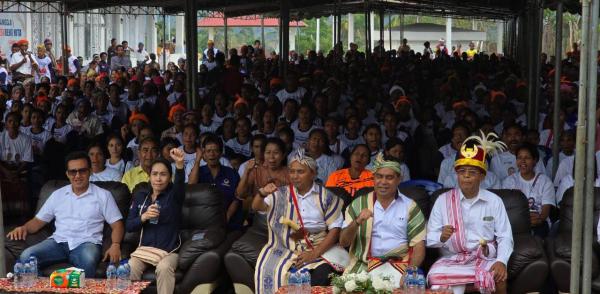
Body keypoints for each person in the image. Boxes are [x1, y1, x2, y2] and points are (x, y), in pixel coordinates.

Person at [7, 151, 124, 277]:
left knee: (88, 260)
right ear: (67, 174)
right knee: (26, 256)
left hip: (87, 243)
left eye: (82, 171)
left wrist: (115, 245)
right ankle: (44, 290)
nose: (77, 175)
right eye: (73, 172)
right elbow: (38, 221)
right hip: (58, 242)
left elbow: (117, 225)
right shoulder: (58, 194)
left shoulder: (103, 195)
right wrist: (24, 228)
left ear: (90, 171)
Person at [427, 132, 512, 294]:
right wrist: (441, 236)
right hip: (452, 260)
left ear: (482, 176)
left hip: (484, 259)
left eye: (472, 172)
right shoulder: (443, 200)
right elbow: (429, 239)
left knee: (499, 276)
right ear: (456, 174)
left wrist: (502, 261)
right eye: (462, 172)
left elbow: (505, 236)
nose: (466, 177)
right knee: (436, 280)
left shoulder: (494, 201)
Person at [252, 148, 347, 293]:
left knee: (320, 275)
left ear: (313, 174)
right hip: (286, 245)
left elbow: (335, 230)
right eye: (292, 171)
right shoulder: (281, 193)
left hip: (318, 246)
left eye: (300, 172)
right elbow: (257, 206)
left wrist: (314, 253)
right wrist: (262, 193)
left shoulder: (326, 196)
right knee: (269, 269)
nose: (295, 176)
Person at [339, 153, 426, 288]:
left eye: (389, 177)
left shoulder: (410, 206)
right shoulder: (359, 204)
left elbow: (419, 246)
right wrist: (357, 222)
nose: (383, 182)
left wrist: (409, 271)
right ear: (373, 178)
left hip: (399, 265)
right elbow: (344, 242)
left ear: (399, 179)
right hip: (364, 265)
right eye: (379, 176)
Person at [127, 148, 185, 294]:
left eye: (163, 174)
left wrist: (179, 165)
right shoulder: (141, 196)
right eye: (155, 174)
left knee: (164, 267)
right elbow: (129, 226)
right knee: (130, 266)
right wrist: (143, 217)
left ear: (169, 177)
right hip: (145, 251)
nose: (158, 179)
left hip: (169, 252)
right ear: (149, 176)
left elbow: (179, 187)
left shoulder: (174, 197)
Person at [188, 135, 242, 230]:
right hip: (201, 222)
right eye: (208, 151)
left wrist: (227, 216)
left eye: (215, 150)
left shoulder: (231, 173)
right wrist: (197, 160)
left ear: (221, 153)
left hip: (228, 223)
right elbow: (191, 186)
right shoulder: (198, 171)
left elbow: (236, 198)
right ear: (204, 154)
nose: (212, 154)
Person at [501, 143, 555, 237]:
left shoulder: (545, 181)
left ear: (535, 160)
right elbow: (505, 209)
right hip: (516, 223)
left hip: (539, 223)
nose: (523, 161)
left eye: (527, 158)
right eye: (519, 158)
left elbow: (545, 211)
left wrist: (539, 219)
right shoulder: (509, 181)